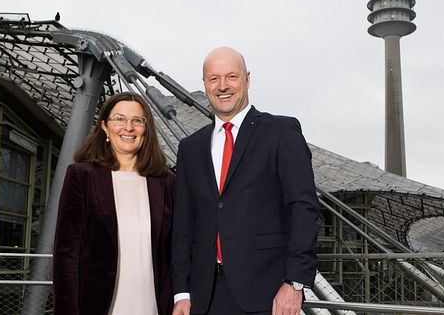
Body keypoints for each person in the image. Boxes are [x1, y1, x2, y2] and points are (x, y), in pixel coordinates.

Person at [172, 47, 320, 315]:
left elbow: (303, 208)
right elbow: (183, 224)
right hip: (204, 297)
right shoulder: (190, 147)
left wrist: (294, 283)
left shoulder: (281, 132)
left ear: (247, 79)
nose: (223, 86)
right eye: (214, 78)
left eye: (232, 76)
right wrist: (181, 292)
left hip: (268, 294)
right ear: (204, 83)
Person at [53, 92, 174, 315]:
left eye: (137, 121)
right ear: (105, 127)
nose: (128, 127)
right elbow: (66, 254)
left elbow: (175, 251)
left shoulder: (165, 182)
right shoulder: (82, 176)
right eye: (119, 119)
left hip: (154, 306)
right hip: (97, 305)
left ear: (146, 130)